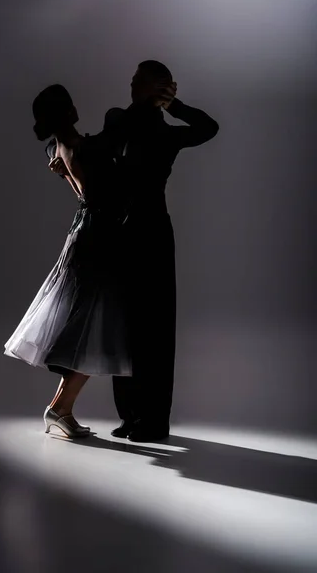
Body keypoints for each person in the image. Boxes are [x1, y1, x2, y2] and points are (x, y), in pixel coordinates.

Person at [4, 84, 139, 438]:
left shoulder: (59, 148)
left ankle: (60, 407)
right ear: (66, 111)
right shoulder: (85, 146)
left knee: (91, 326)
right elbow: (100, 191)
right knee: (95, 327)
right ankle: (60, 408)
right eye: (70, 105)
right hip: (98, 238)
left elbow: (84, 195)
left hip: (87, 231)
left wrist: (65, 174)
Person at [104, 60, 219, 442]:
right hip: (120, 233)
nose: (132, 83)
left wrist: (174, 104)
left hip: (152, 233)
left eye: (142, 80)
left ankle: (154, 420)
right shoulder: (118, 119)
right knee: (122, 326)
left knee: (153, 328)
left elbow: (209, 128)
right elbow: (99, 145)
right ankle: (131, 416)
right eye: (134, 78)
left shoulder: (167, 134)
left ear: (164, 87)